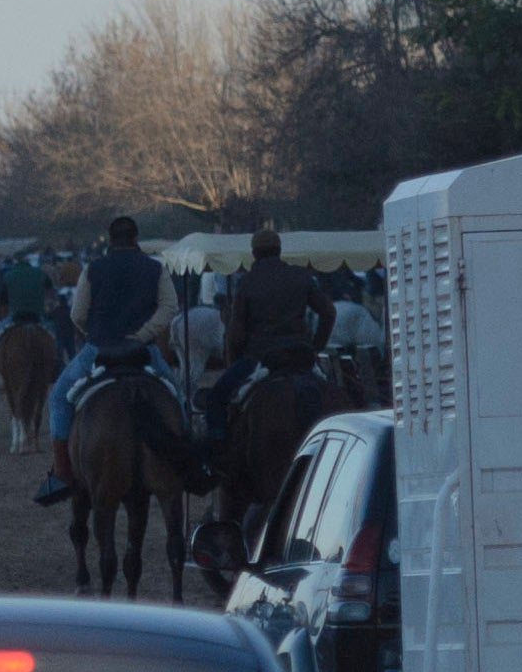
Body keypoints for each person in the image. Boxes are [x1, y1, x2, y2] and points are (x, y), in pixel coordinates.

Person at [38, 216, 183, 505]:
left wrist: (97, 336)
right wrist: (141, 335)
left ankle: (63, 471)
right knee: (177, 396)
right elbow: (170, 307)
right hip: (143, 349)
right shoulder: (155, 268)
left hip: (98, 349)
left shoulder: (93, 269)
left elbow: (77, 314)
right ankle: (186, 461)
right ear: (136, 238)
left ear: (110, 239)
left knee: (57, 398)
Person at [208, 228, 332, 423]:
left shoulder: (247, 282)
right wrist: (316, 346)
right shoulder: (301, 276)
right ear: (279, 250)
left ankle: (217, 442)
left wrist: (233, 358)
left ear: (254, 254)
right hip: (301, 355)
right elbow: (328, 313)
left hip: (260, 357)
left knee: (215, 399)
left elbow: (236, 334)